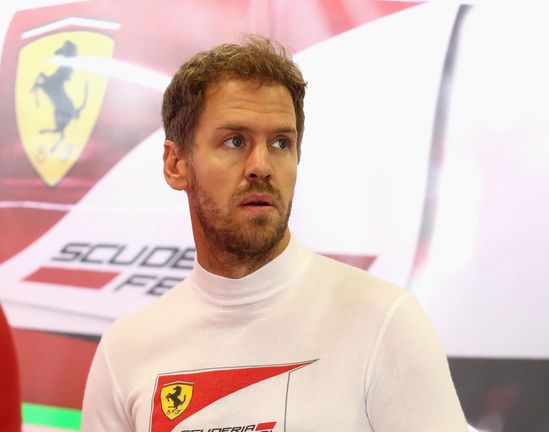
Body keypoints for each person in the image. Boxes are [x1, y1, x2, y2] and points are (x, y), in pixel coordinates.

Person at [81, 35, 466, 431]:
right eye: (235, 141)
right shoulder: (125, 350)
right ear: (176, 163)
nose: (261, 166)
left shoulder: (384, 322)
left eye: (281, 142)